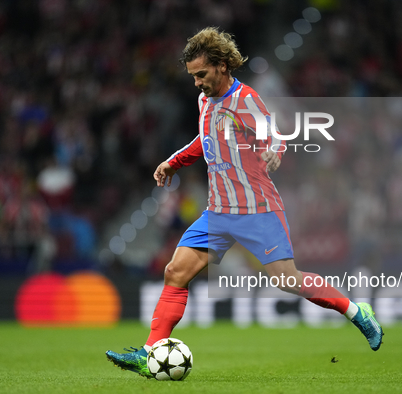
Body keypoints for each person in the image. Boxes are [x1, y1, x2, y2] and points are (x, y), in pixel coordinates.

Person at [106, 27, 383, 377]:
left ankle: (358, 313)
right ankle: (149, 354)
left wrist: (273, 150)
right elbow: (203, 140)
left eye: (201, 75)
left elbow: (273, 134)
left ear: (222, 66)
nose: (197, 83)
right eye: (192, 77)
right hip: (218, 213)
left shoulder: (245, 99)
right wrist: (173, 160)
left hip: (258, 210)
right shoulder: (205, 100)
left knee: (287, 280)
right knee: (175, 272)